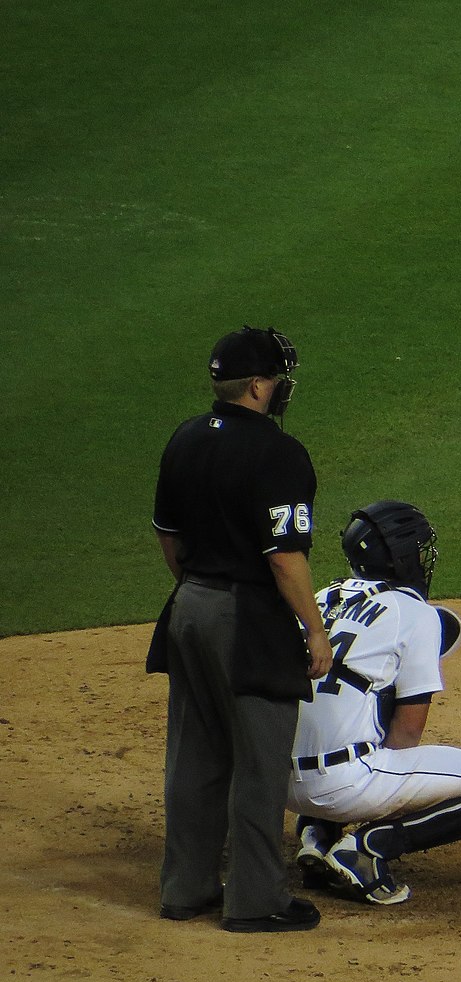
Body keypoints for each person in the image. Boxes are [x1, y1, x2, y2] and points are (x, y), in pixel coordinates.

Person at [149, 325, 333, 933]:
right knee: (259, 761)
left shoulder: (185, 438)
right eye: (277, 379)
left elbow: (169, 537)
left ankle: (186, 888)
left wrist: (199, 587)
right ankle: (256, 901)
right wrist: (313, 628)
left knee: (195, 754)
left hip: (188, 607)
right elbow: (285, 558)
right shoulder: (279, 453)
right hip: (245, 618)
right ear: (257, 386)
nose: (281, 389)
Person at [287, 500, 461, 906]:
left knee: (348, 704)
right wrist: (381, 798)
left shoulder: (321, 598)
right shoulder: (413, 613)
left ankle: (318, 834)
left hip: (277, 782)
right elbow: (407, 733)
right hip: (340, 785)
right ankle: (366, 849)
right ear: (400, 558)